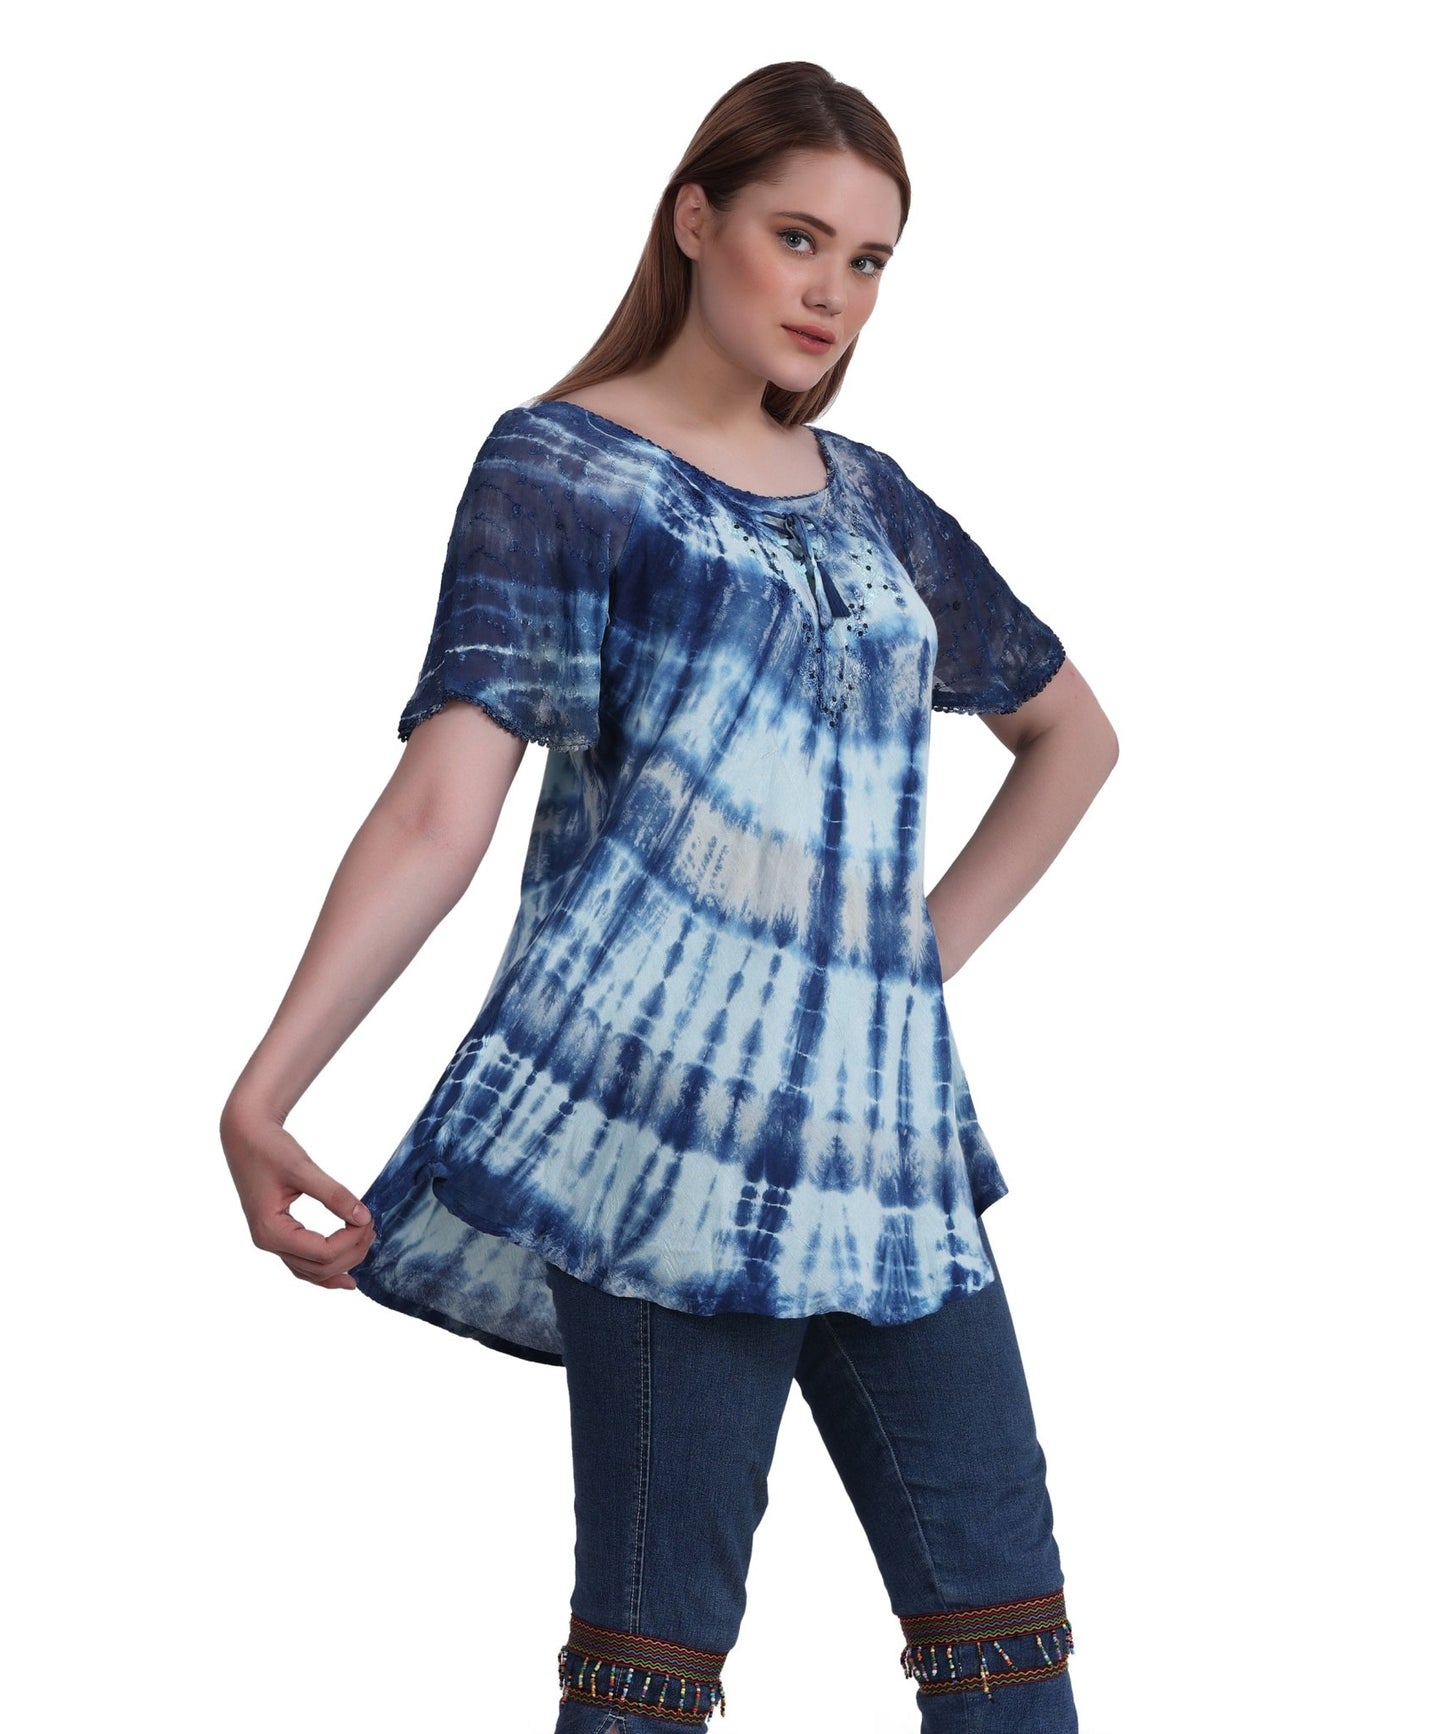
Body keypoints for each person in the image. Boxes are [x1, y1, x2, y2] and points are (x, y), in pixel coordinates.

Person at [221, 59, 1118, 1734]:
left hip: (887, 1153)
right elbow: (438, 806)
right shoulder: (561, 469)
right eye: (797, 237)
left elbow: (1072, 734)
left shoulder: (874, 503)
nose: (830, 291)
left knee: (1008, 1652)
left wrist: (903, 966)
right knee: (652, 1665)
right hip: (658, 1142)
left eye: (868, 259)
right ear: (695, 221)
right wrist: (267, 1087)